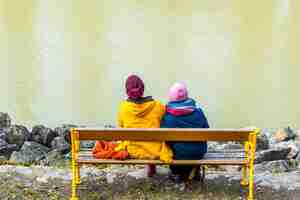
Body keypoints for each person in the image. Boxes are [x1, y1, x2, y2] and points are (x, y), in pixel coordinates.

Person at [117, 74, 173, 177]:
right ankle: (152, 167)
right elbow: (165, 123)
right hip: (155, 150)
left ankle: (151, 168)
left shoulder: (123, 108)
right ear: (142, 89)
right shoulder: (158, 106)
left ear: (127, 91)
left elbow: (121, 128)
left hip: (133, 150)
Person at [161, 82, 209, 183]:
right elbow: (207, 130)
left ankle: (176, 173)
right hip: (198, 153)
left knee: (171, 146)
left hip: (178, 155)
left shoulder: (168, 116)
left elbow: (165, 139)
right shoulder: (199, 112)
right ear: (186, 96)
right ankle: (195, 171)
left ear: (172, 98)